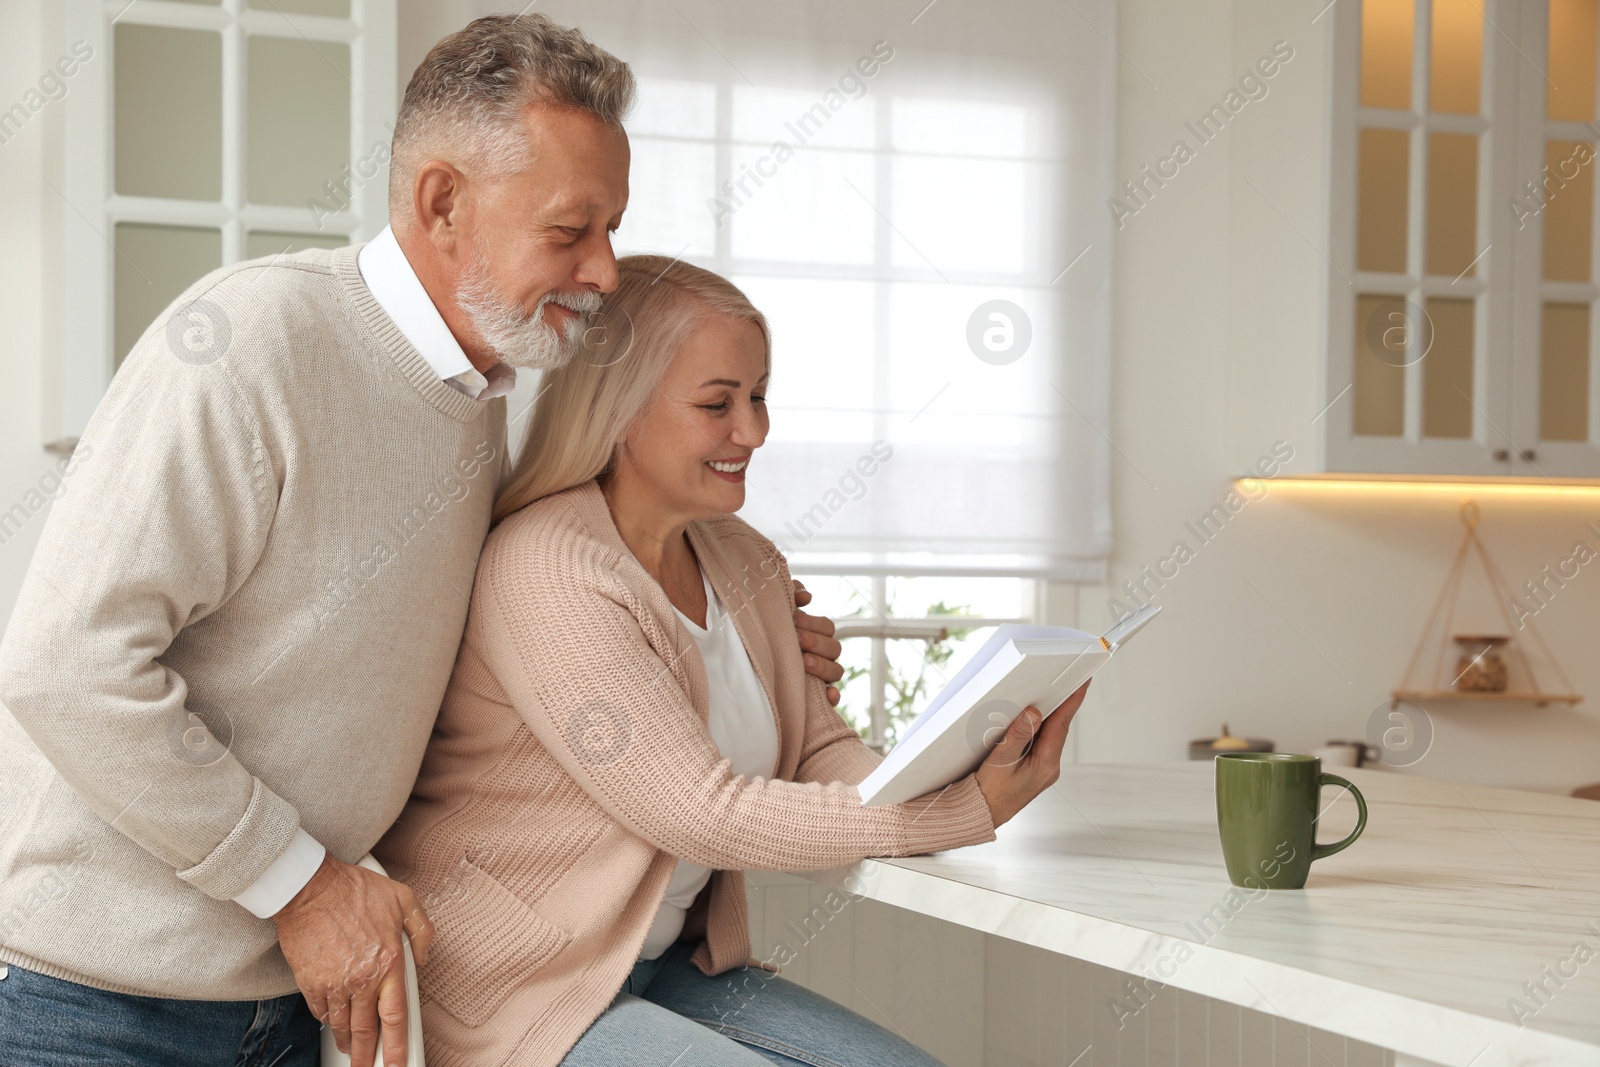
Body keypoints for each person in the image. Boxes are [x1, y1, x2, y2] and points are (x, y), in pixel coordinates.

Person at [0, 16, 845, 1067]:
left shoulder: (476, 400)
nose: (605, 269)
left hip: (304, 996)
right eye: (571, 229)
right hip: (97, 998)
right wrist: (302, 885)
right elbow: (67, 666)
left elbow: (490, 649)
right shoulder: (251, 347)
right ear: (443, 203)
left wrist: (749, 653)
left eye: (613, 228)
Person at [372, 256, 1087, 1067]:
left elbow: (820, 752)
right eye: (718, 403)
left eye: (758, 396)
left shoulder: (745, 560)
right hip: (517, 989)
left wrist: (951, 771)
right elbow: (701, 812)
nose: (752, 431)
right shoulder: (548, 568)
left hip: (662, 963)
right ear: (621, 411)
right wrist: (955, 813)